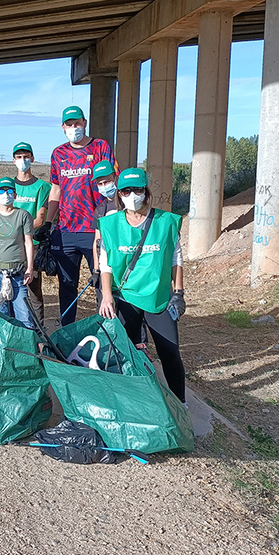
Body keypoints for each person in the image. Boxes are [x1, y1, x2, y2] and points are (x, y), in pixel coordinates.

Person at [96, 168, 187, 403]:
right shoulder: (110, 225)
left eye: (137, 189)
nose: (132, 195)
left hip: (158, 298)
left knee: (170, 352)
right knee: (126, 353)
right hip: (126, 298)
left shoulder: (165, 222)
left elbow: (176, 258)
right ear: (119, 194)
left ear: (146, 191)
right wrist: (107, 296)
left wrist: (178, 292)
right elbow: (105, 265)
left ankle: (180, 403)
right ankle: (132, 400)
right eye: (126, 190)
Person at [43, 105, 117, 326]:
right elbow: (55, 189)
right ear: (63, 127)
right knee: (67, 286)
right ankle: (68, 333)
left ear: (84, 123)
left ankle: (107, 331)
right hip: (65, 230)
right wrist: (48, 223)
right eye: (69, 124)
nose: (74, 127)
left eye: (77, 123)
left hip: (94, 228)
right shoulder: (58, 154)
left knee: (102, 283)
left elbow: (113, 180)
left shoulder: (100, 147)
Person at [0, 177, 35, 327]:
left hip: (17, 273)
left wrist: (30, 267)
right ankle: (5, 348)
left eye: (9, 191)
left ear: (15, 195)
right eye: (1, 191)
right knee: (1, 317)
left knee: (25, 317)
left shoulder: (23, 215)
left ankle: (26, 347)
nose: (5, 194)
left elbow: (28, 242)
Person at [10, 141, 51, 326]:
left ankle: (38, 330)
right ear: (13, 161)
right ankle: (15, 327)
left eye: (26, 157)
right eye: (19, 157)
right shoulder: (7, 185)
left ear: (32, 159)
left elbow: (40, 218)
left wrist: (18, 233)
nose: (23, 160)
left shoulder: (42, 187)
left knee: (33, 289)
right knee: (9, 287)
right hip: (8, 247)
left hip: (30, 246)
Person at [90, 160, 120, 303]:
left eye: (107, 181)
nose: (104, 186)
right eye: (100, 184)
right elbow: (97, 241)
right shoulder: (100, 210)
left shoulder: (127, 204)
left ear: (115, 178)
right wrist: (96, 270)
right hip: (108, 267)